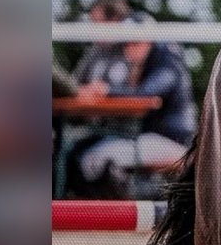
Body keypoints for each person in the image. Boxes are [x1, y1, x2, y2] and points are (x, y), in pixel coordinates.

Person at [70, 10, 198, 197]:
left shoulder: (167, 58)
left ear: (149, 39)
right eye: (126, 43)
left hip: (172, 141)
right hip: (154, 138)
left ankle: (113, 213)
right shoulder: (147, 61)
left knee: (92, 157)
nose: (129, 48)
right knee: (84, 148)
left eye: (135, 41)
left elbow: (146, 93)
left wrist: (107, 90)